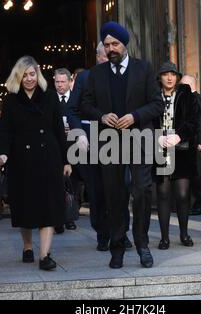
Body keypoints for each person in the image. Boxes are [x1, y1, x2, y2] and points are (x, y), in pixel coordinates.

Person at [81, 21, 163, 268]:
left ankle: (143, 245)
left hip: (139, 138)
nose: (110, 49)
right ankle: (117, 247)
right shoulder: (96, 74)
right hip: (109, 141)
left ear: (124, 44)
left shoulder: (144, 69)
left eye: (114, 44)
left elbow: (157, 104)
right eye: (106, 45)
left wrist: (135, 116)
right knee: (114, 196)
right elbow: (85, 104)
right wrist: (101, 116)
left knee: (141, 192)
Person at [0, 56, 72, 271]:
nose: (29, 79)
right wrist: (2, 153)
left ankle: (44, 255)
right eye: (24, 75)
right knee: (25, 206)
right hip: (21, 159)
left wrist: (66, 160)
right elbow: (5, 132)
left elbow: (59, 130)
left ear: (38, 74)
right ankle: (28, 246)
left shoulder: (50, 98)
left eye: (32, 74)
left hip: (48, 157)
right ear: (17, 77)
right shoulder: (11, 100)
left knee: (48, 205)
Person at [67, 42, 132, 251]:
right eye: (104, 55)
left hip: (120, 140)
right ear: (97, 57)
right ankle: (103, 234)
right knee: (97, 190)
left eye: (112, 55)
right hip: (93, 139)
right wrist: (79, 135)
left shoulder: (124, 75)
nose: (108, 59)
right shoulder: (86, 78)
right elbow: (73, 109)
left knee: (122, 187)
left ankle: (121, 233)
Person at [154, 62, 200, 250]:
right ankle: (164, 237)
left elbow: (194, 120)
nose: (170, 78)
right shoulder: (153, 95)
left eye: (173, 74)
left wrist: (179, 135)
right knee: (163, 194)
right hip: (160, 150)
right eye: (165, 74)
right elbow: (147, 120)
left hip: (181, 150)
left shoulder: (186, 93)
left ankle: (184, 233)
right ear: (160, 77)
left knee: (182, 194)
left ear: (178, 76)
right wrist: (157, 138)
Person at [180, 75, 201, 216]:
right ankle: (196, 204)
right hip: (192, 144)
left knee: (200, 174)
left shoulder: (196, 99)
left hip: (199, 144)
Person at [54, 68, 78, 232]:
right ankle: (58, 219)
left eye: (63, 82)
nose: (60, 85)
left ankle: (70, 217)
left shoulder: (77, 99)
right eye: (57, 82)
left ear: (70, 82)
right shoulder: (50, 100)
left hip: (75, 148)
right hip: (56, 148)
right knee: (57, 184)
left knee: (73, 184)